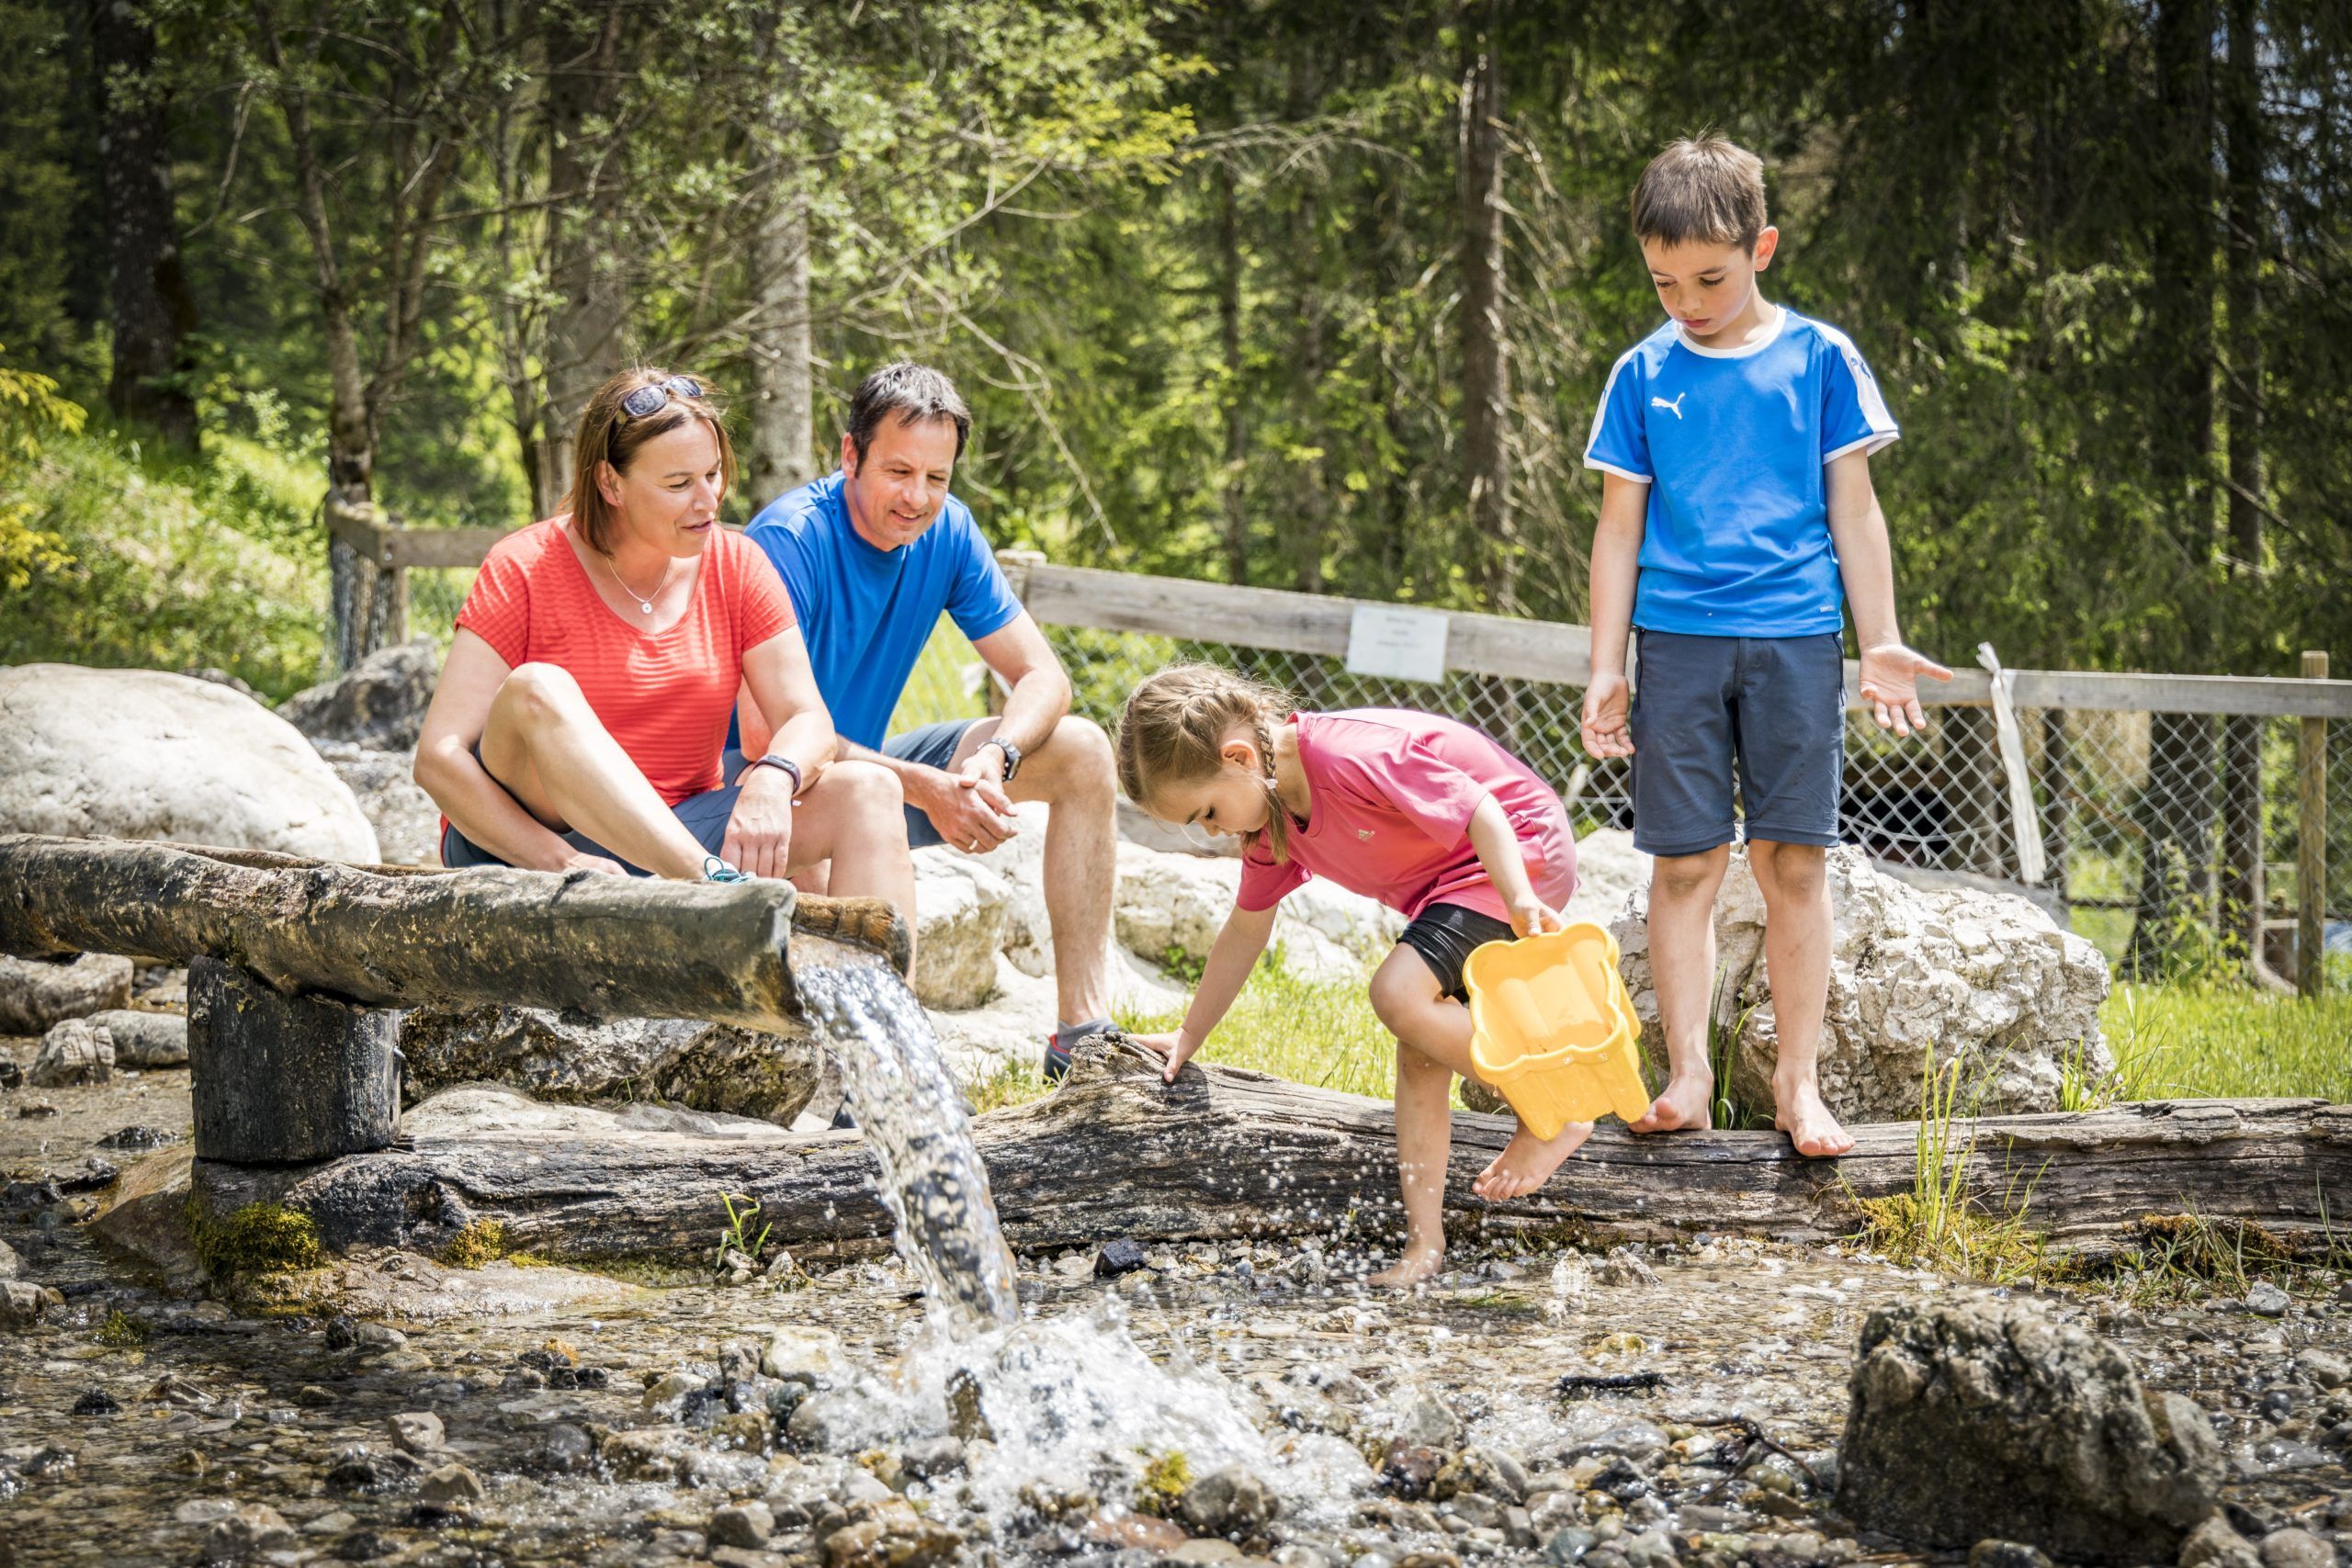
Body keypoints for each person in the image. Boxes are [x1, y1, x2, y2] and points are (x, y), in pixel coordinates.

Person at [1578, 134, 1951, 1157]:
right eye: (1663, 282)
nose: (1686, 300)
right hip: (1677, 647)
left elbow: (1855, 513)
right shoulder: (1640, 372)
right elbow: (1618, 529)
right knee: (1685, 865)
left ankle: (1797, 1085)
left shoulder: (1821, 357)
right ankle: (1688, 1075)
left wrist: (1877, 639)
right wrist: (1607, 666)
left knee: (1794, 863)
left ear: (1762, 248)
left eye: (1709, 276)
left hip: (1795, 642)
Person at [1115, 663, 1583, 1289]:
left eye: (1207, 811)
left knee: (1396, 991)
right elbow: (1244, 933)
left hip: (1515, 849)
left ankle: (1555, 1105)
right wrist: (1187, 1035)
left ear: (1239, 757)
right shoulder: (1268, 827)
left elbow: (1480, 809)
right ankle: (1424, 1248)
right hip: (1451, 886)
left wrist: (1520, 895)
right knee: (1418, 1050)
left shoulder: (1345, 753)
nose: (1212, 830)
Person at [414, 367, 911, 922]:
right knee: (539, 686)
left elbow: (807, 719)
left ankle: (887, 1005)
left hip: (681, 828)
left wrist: (775, 776)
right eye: (678, 484)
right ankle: (703, 880)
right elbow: (438, 758)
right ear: (610, 483)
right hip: (526, 847)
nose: (708, 500)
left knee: (869, 789)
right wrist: (556, 859)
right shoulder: (523, 564)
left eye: (713, 474)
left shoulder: (738, 562)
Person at [738, 362, 1119, 1078]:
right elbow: (767, 740)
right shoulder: (787, 540)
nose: (917, 498)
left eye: (936, 479)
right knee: (839, 855)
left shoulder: (950, 534)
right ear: (850, 454)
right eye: (898, 471)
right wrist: (923, 787)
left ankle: (1082, 1035)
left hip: (873, 774)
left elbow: (1044, 677)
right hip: (769, 796)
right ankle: (889, 1077)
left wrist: (995, 757)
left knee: (1083, 750)